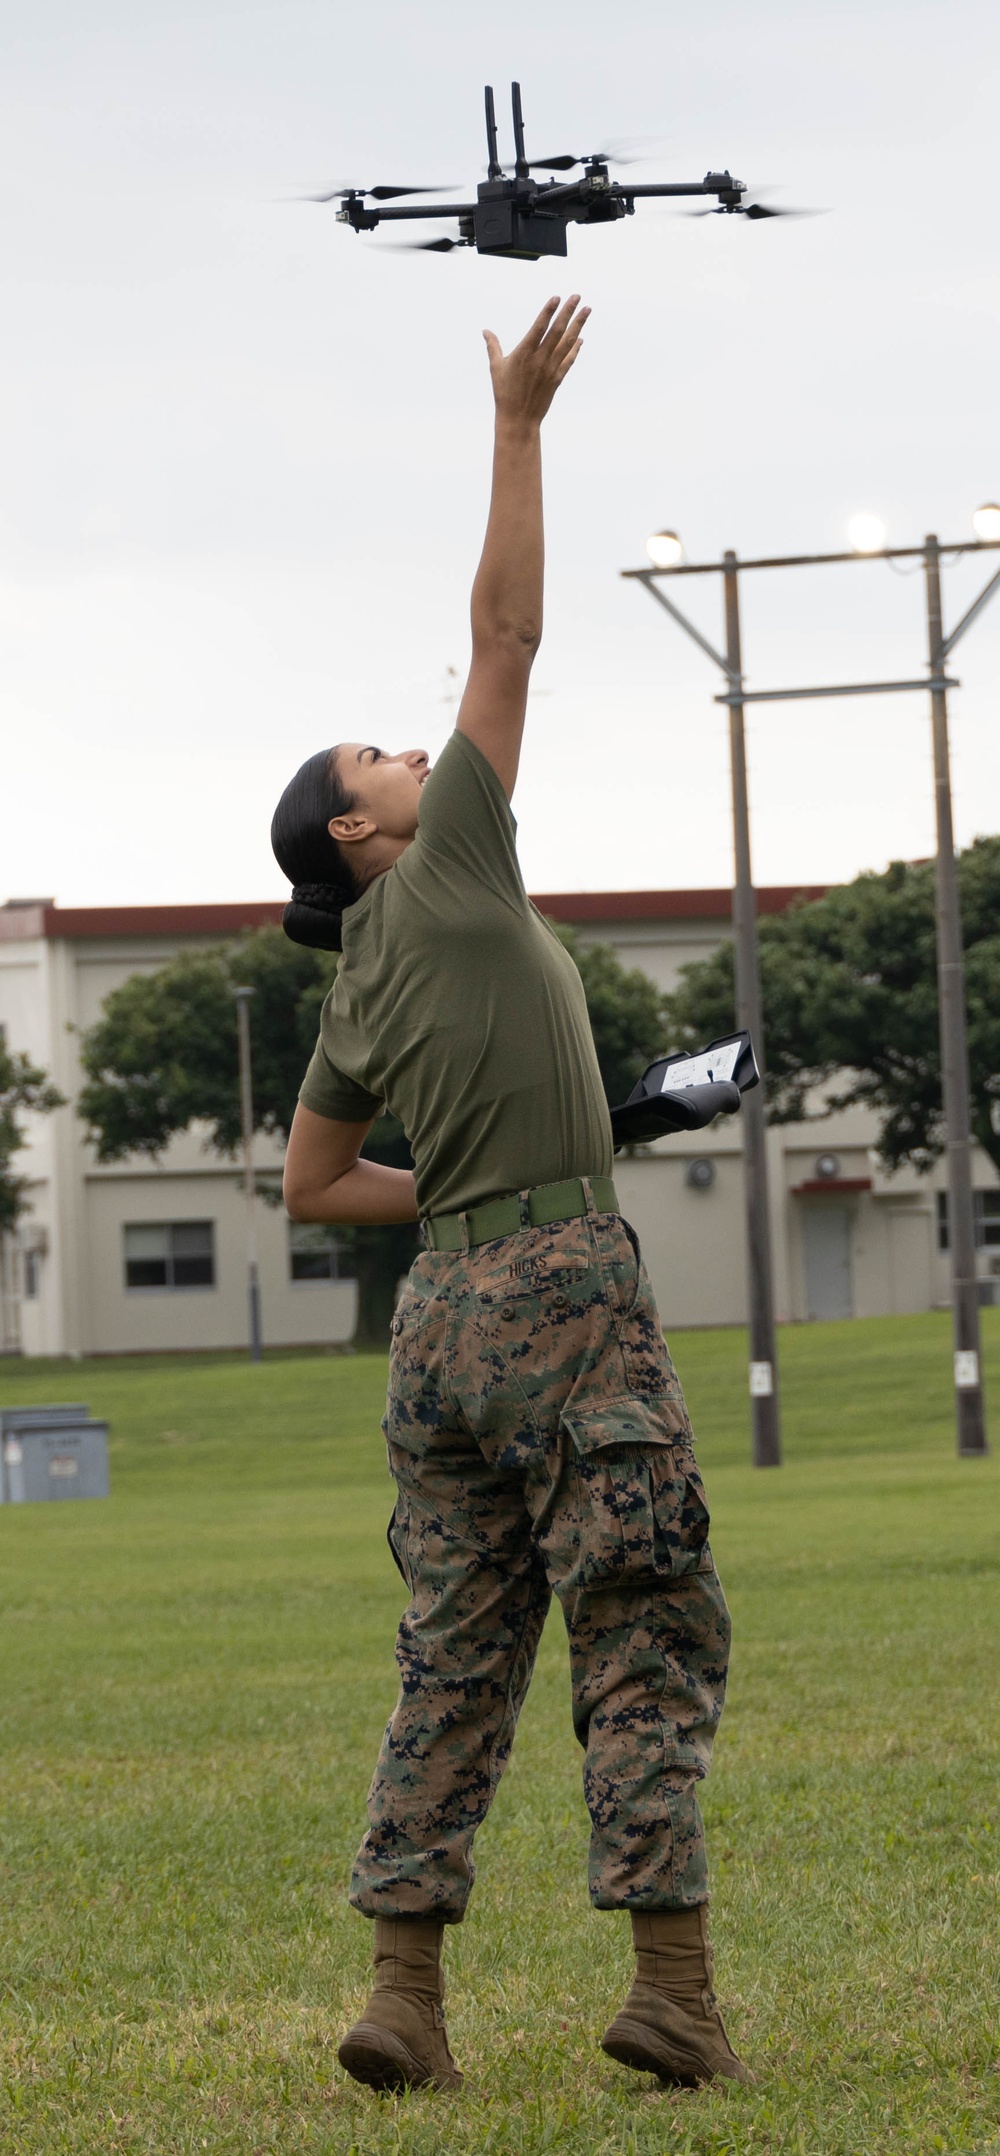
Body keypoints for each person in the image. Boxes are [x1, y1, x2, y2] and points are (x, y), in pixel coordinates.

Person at [271, 296, 749, 2096]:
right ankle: (673, 1995)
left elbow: (314, 1184)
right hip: (563, 1291)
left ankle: (404, 1999)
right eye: (380, 758)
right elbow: (509, 632)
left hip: (441, 1331)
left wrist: (460, 1199)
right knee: (642, 1619)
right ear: (362, 832)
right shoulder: (453, 857)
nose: (417, 751)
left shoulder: (352, 982)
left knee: (455, 1656)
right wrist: (521, 424)